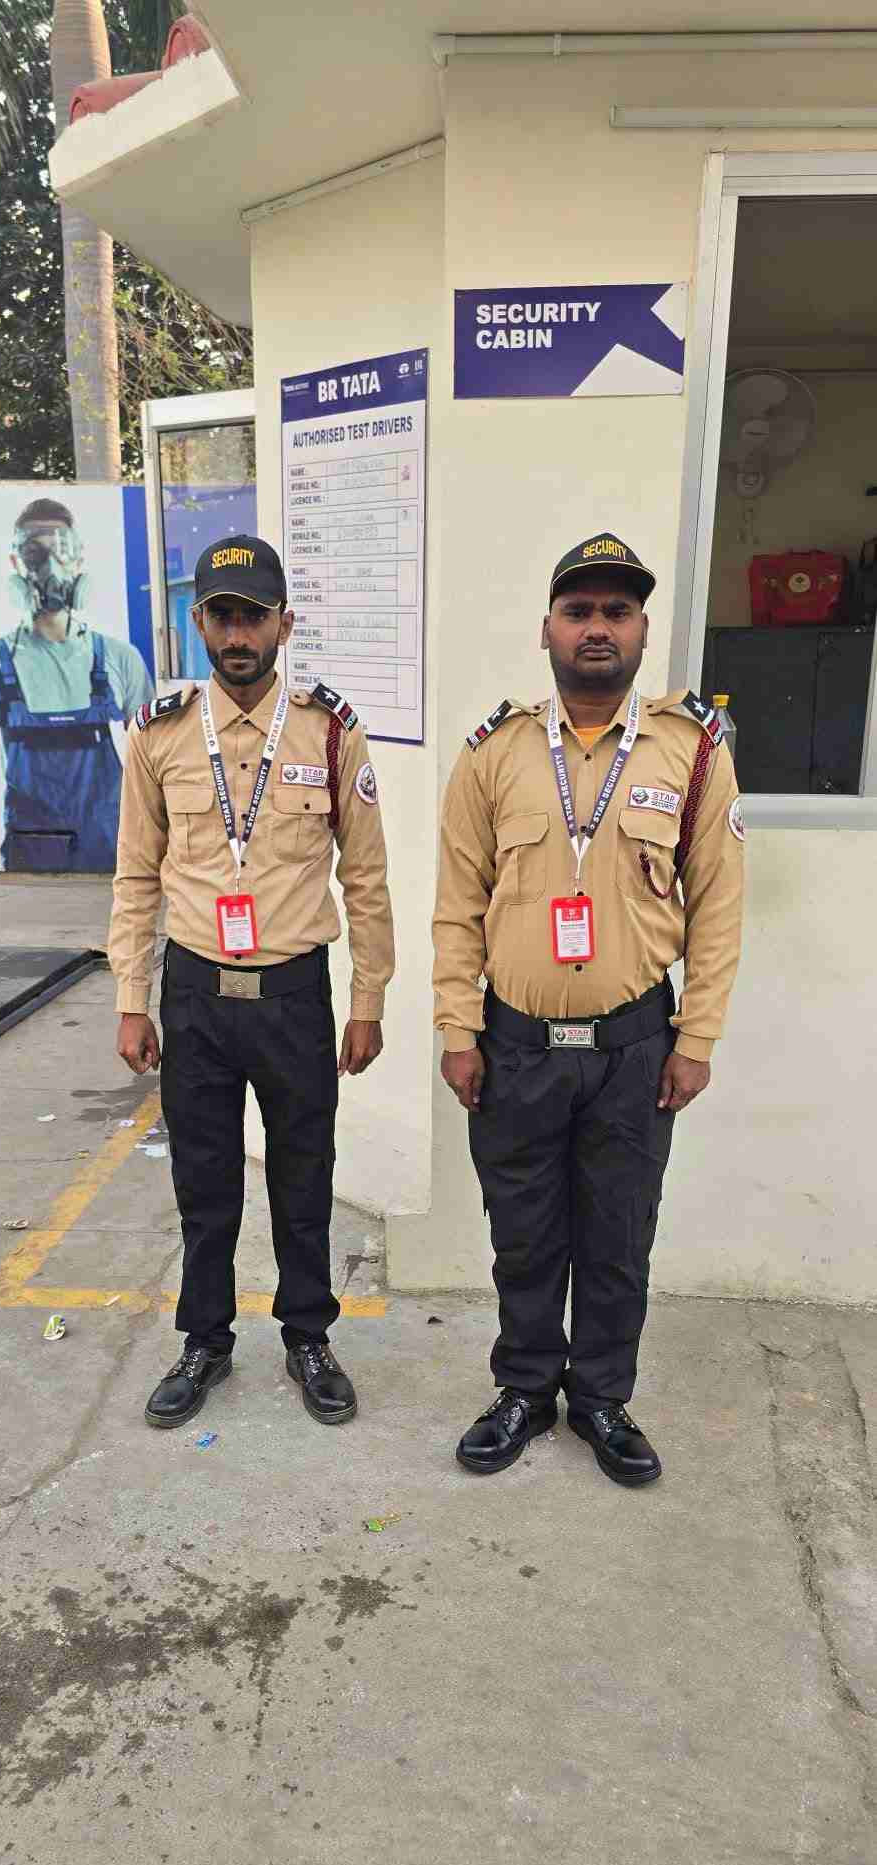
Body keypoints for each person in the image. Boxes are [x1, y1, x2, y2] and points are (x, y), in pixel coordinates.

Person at [433, 533, 744, 1485]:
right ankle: (526, 1388)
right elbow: (457, 903)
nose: (597, 627)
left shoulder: (692, 753)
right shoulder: (494, 754)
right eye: (579, 611)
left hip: (634, 1050)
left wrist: (697, 1037)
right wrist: (457, 1028)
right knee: (524, 1233)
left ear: (643, 629)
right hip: (516, 1045)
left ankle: (602, 1397)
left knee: (617, 1237)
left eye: (617, 611)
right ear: (547, 630)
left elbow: (719, 906)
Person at [108, 535, 395, 1431]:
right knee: (205, 1183)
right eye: (223, 616)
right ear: (200, 623)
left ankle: (308, 1338)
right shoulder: (159, 732)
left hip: (293, 997)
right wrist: (131, 998)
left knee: (304, 1179)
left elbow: (367, 877)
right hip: (195, 994)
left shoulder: (331, 731)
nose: (239, 635)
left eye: (254, 617)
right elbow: (136, 875)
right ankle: (205, 1340)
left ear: (285, 624)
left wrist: (369, 1001)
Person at [0, 498, 152, 871]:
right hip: (30, 857)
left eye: (62, 549)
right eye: (35, 552)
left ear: (79, 559)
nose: (51, 565)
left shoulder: (120, 659)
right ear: (16, 564)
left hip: (111, 852)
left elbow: (156, 761)